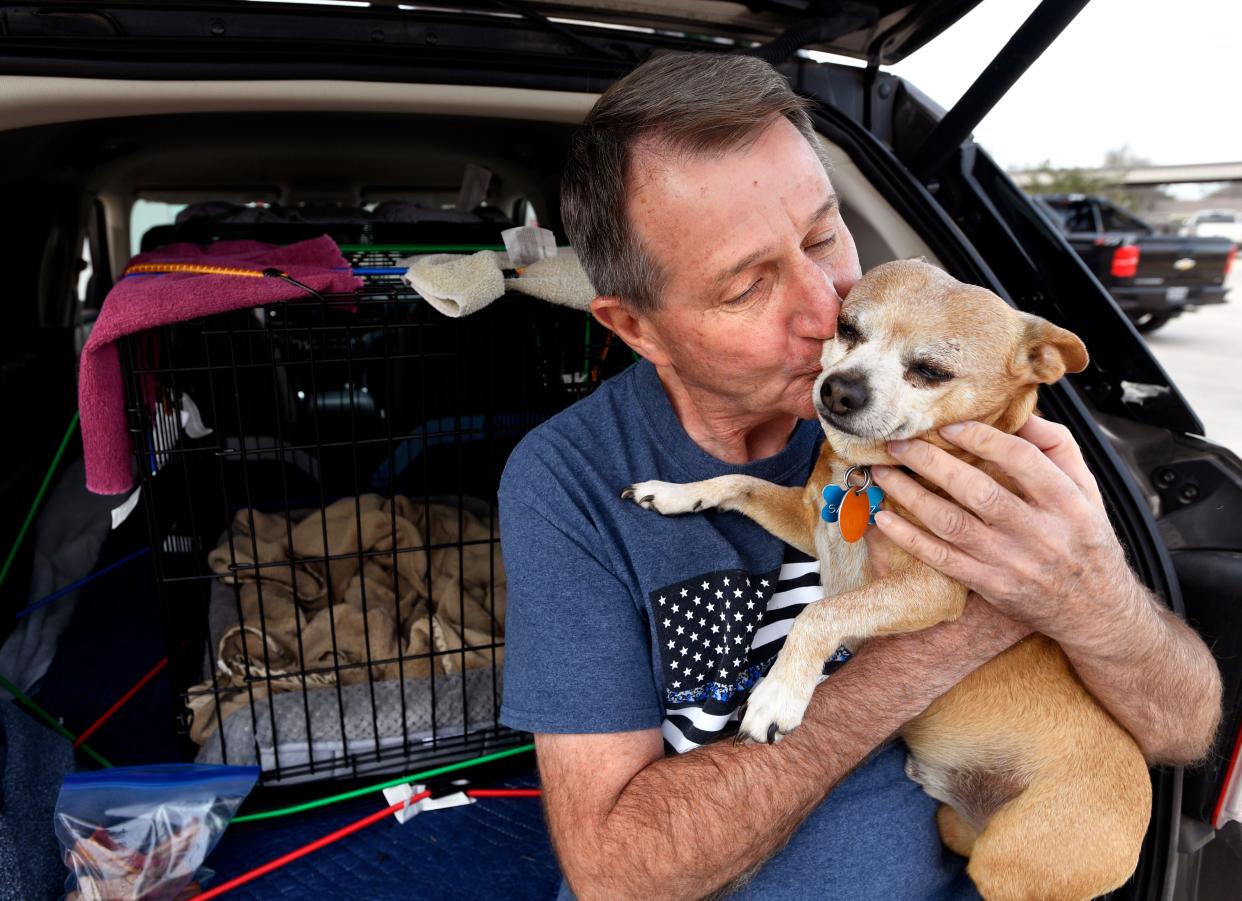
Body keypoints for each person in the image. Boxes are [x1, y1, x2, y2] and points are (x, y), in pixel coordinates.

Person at [497, 52, 1221, 901]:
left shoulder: (979, 423)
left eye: (820, 236)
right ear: (637, 329)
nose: (827, 312)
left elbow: (1184, 727)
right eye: (746, 287)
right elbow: (621, 876)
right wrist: (961, 629)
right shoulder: (572, 478)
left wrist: (1088, 589)